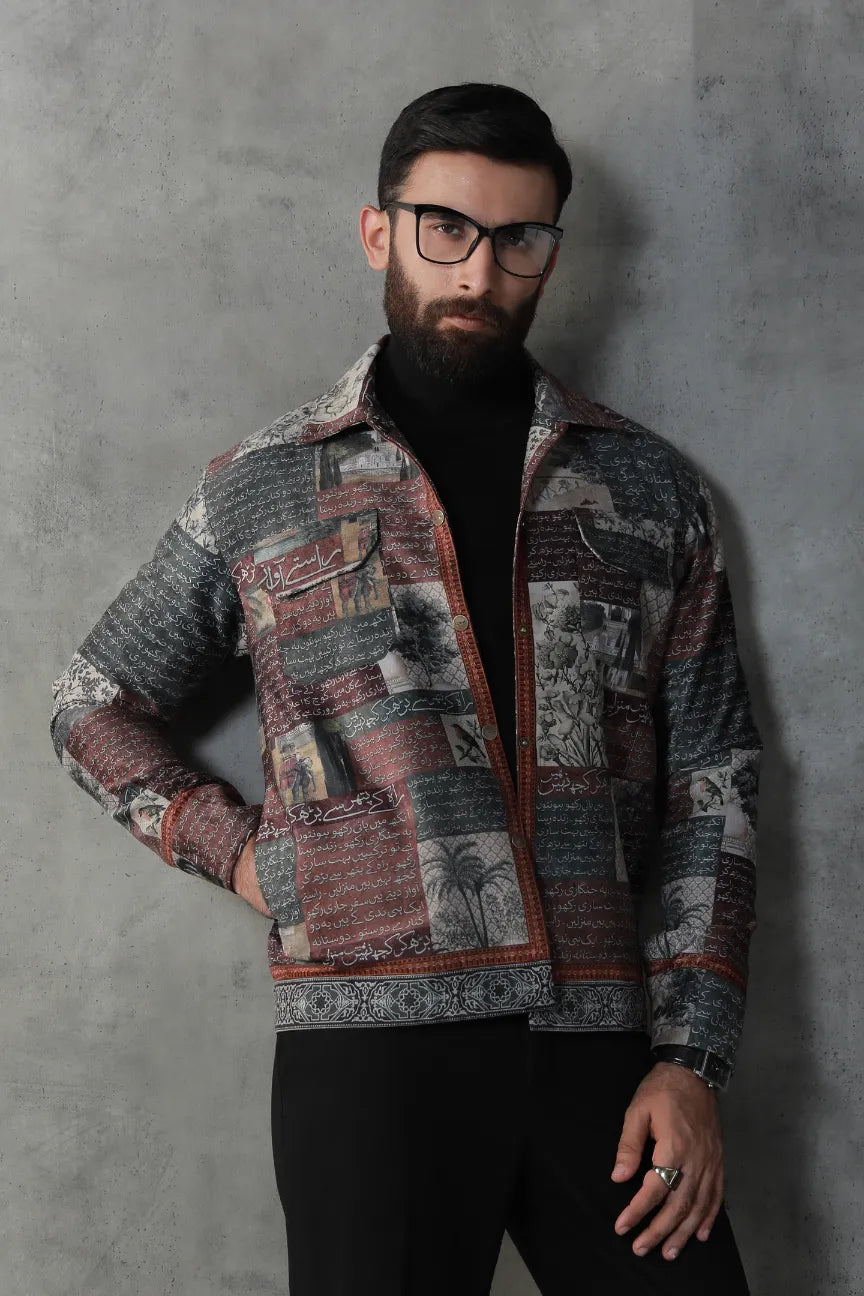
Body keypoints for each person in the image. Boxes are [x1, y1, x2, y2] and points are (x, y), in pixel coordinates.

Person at [50, 82, 763, 1294]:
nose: (479, 271)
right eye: (446, 230)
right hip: (369, 1057)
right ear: (379, 232)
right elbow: (90, 703)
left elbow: (715, 782)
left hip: (603, 1055)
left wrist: (692, 1059)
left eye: (517, 238)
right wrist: (250, 859)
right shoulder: (261, 489)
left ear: (550, 254)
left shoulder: (648, 490)